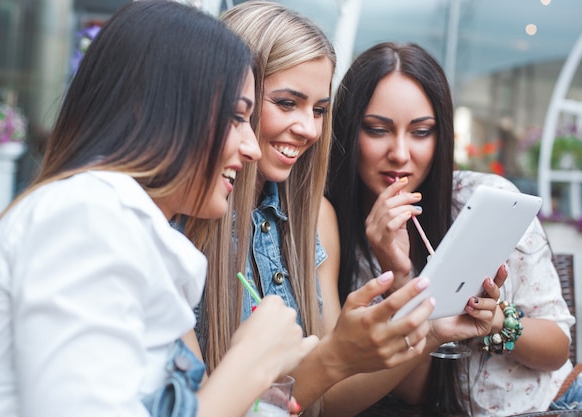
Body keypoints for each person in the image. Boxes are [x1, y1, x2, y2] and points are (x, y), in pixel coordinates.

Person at [0, 2, 319, 417]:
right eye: (237, 117)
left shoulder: (117, 224)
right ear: (163, 110)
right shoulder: (85, 217)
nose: (252, 148)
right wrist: (251, 365)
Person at [191, 3, 504, 417]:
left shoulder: (315, 218)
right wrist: (336, 355)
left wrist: (431, 332)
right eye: (287, 103)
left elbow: (330, 401)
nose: (309, 129)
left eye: (319, 109)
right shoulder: (179, 227)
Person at [325, 41, 575, 416]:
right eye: (378, 130)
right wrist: (399, 276)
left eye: (421, 132)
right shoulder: (335, 231)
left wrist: (497, 321)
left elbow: (558, 349)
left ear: (441, 136)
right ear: (348, 131)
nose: (400, 153)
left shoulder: (486, 201)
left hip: (554, 405)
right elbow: (415, 391)